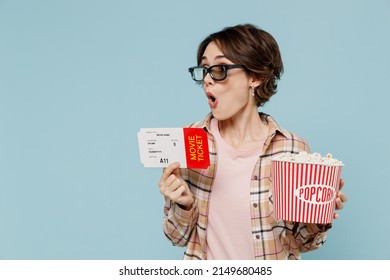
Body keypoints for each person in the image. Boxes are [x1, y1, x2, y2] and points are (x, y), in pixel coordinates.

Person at [158, 24, 347, 260]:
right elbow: (176, 237)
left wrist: (318, 217)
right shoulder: (191, 140)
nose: (207, 79)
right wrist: (183, 205)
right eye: (204, 69)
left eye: (220, 69)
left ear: (255, 77)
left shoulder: (292, 149)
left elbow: (303, 242)